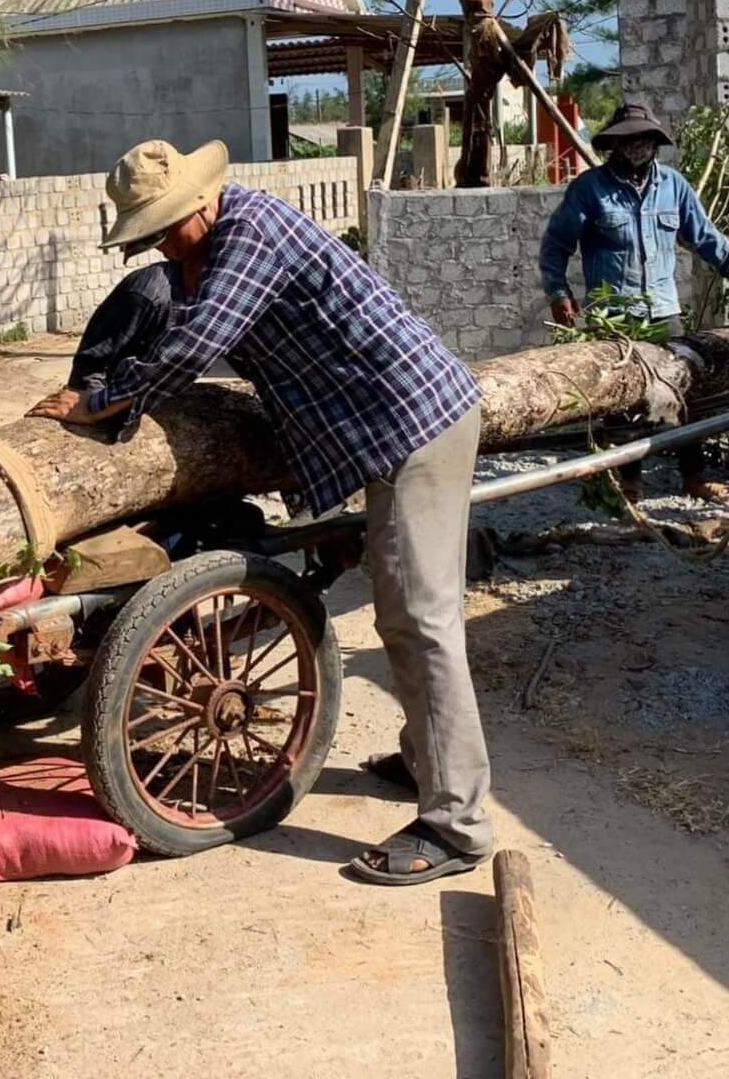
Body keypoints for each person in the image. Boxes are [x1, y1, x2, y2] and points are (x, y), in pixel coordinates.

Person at [28, 138, 492, 886]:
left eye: (161, 232)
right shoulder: (210, 246)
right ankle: (425, 760)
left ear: (198, 203)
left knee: (416, 616)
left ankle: (456, 824)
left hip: (412, 425)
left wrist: (102, 399)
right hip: (370, 428)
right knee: (406, 610)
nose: (160, 253)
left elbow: (202, 338)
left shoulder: (252, 229)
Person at [537, 103, 729, 503]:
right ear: (616, 144)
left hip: (663, 313)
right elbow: (556, 245)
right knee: (620, 400)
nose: (637, 147)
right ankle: (630, 482)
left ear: (655, 143)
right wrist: (558, 293)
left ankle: (693, 477)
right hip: (613, 316)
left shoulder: (674, 186)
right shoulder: (590, 188)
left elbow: (704, 237)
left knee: (682, 391)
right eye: (628, 140)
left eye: (644, 139)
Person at [34, 259, 182, 420]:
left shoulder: (201, 294)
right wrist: (93, 406)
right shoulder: (146, 292)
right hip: (112, 389)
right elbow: (93, 366)